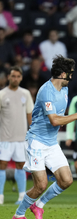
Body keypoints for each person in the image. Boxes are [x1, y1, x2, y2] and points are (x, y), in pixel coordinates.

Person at [11, 55, 77, 219]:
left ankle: (38, 206)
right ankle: (18, 216)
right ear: (63, 74)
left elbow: (61, 117)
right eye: (70, 73)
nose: (71, 77)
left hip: (51, 142)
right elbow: (54, 120)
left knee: (67, 180)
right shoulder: (46, 91)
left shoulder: (64, 89)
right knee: (41, 184)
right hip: (37, 142)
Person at [0, 66, 34, 205]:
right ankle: (0, 196)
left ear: (21, 78)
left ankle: (21, 197)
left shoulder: (25, 94)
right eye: (13, 76)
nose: (15, 79)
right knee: (1, 165)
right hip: (4, 138)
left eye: (18, 76)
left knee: (21, 165)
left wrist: (32, 133)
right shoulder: (2, 94)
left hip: (21, 138)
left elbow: (29, 114)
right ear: (8, 77)